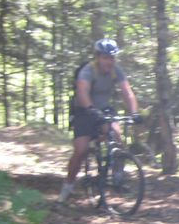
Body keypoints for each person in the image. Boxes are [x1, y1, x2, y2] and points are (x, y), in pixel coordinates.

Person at [59, 38, 141, 203]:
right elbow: (82, 91)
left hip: (104, 109)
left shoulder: (116, 71)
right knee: (81, 150)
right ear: (98, 57)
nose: (109, 61)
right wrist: (90, 109)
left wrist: (135, 113)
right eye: (105, 57)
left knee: (117, 137)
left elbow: (127, 92)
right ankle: (67, 187)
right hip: (84, 110)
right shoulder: (88, 71)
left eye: (111, 58)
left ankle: (117, 176)